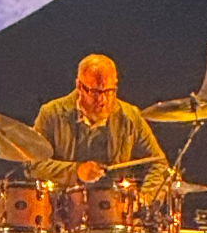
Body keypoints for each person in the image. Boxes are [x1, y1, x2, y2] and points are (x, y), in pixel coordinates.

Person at [28, 54, 169, 199]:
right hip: (62, 209)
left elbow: (158, 163)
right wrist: (76, 171)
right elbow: (34, 166)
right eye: (95, 92)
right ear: (79, 86)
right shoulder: (51, 114)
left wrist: (143, 201)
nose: (103, 100)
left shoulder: (130, 117)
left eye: (109, 91)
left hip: (115, 212)